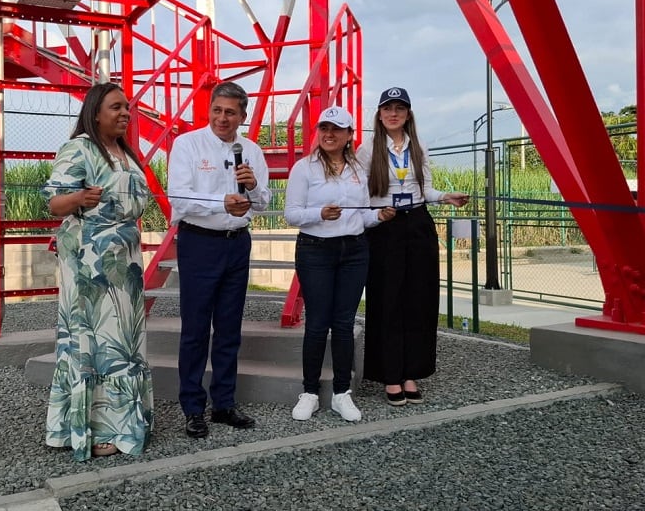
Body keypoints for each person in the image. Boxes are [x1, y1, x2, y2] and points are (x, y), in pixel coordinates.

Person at [42, 82, 154, 461]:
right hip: (90, 268)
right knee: (97, 343)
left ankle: (126, 422)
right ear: (95, 112)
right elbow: (55, 202)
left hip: (127, 266)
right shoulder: (79, 149)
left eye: (127, 107)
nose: (125, 113)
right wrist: (78, 198)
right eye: (115, 107)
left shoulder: (125, 153)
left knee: (124, 339)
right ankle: (96, 428)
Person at [168, 81, 270, 438]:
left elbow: (264, 203)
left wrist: (253, 186)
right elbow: (179, 197)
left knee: (229, 328)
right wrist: (221, 202)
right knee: (196, 329)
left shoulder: (252, 151)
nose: (222, 118)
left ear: (243, 115)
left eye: (230, 112)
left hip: (237, 243)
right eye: (217, 110)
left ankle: (224, 404)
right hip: (200, 243)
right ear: (209, 110)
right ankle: (193, 407)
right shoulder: (187, 145)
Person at [357, 87, 468, 407]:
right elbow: (363, 196)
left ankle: (412, 372)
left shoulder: (418, 146)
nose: (393, 114)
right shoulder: (367, 150)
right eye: (388, 108)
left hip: (418, 224)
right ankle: (390, 374)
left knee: (419, 300)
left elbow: (426, 189)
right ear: (379, 114)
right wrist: (376, 216)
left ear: (408, 114)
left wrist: (446, 197)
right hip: (385, 229)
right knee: (387, 300)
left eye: (400, 109)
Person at [284, 107, 395, 422]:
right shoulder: (304, 168)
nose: (329, 134)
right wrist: (319, 214)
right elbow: (291, 214)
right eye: (324, 128)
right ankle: (309, 392)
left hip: (354, 250)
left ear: (349, 135)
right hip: (315, 250)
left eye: (337, 129)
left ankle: (341, 393)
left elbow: (361, 214)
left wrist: (379, 216)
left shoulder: (359, 168)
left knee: (344, 323)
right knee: (318, 323)